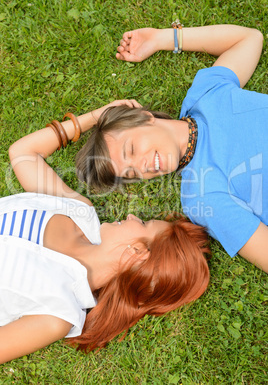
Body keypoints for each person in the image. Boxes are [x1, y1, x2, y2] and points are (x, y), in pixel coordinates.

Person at [0, 103, 210, 364]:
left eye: (143, 224)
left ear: (137, 253)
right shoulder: (79, 213)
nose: (132, 216)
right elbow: (23, 153)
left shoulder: (56, 314)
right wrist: (95, 117)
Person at [75, 24, 268, 274]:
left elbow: (249, 39)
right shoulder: (202, 194)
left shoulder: (205, 95)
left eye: (132, 150)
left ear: (144, 117)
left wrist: (163, 38)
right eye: (132, 174)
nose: (143, 167)